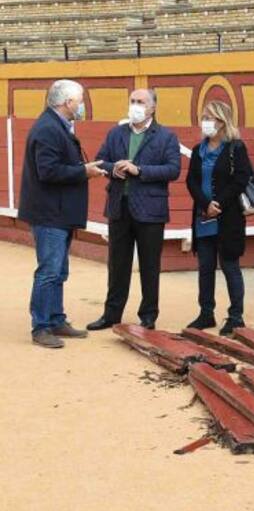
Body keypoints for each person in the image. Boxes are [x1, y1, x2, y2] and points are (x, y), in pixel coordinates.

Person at [18, 79, 106, 349]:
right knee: (49, 271)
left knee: (58, 271)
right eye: (79, 101)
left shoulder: (54, 125)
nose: (81, 105)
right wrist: (84, 171)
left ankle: (56, 319)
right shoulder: (48, 128)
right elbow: (48, 171)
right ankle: (41, 326)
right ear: (68, 102)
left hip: (57, 212)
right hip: (50, 213)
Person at [88, 88, 181, 330]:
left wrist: (139, 170)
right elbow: (100, 161)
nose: (135, 106)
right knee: (117, 264)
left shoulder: (166, 136)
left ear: (153, 107)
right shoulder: (116, 133)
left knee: (150, 265)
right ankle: (111, 315)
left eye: (141, 102)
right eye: (132, 101)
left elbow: (173, 170)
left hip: (150, 209)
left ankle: (148, 316)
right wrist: (114, 168)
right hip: (119, 206)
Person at [185, 100, 252, 335]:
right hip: (203, 217)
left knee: (230, 266)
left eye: (209, 117)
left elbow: (241, 179)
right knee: (205, 267)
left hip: (228, 218)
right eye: (203, 117)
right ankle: (206, 313)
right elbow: (191, 181)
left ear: (222, 121)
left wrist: (219, 203)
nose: (205, 122)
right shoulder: (198, 150)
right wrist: (206, 204)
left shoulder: (236, 148)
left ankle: (236, 316)